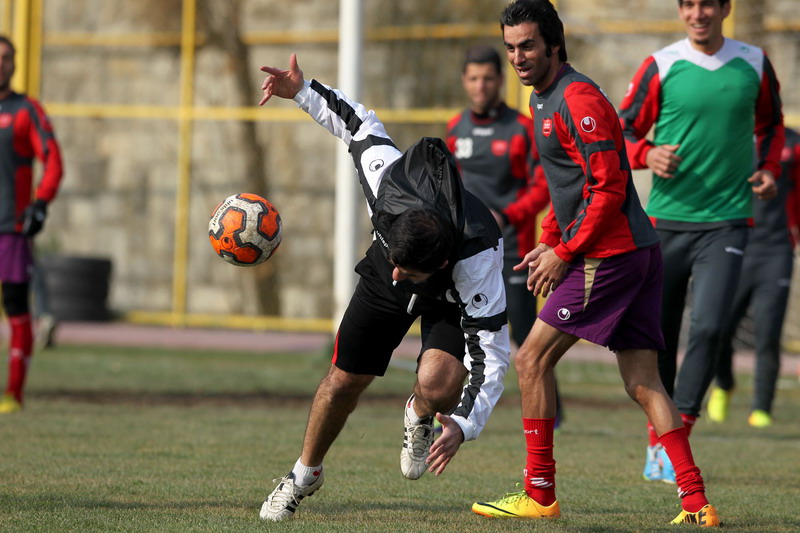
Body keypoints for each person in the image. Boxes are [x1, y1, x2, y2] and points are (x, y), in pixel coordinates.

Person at [472, 0, 719, 526]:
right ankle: (697, 503)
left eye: (528, 46)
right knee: (643, 382)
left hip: (610, 257)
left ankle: (539, 496)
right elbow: (570, 188)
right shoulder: (544, 99)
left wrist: (565, 253)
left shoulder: (577, 98)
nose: (517, 56)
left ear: (554, 44)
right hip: (634, 253)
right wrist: (548, 238)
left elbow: (607, 187)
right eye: (511, 46)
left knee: (531, 360)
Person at [256, 54, 511, 522]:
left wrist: (464, 424)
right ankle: (303, 474)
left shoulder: (478, 258)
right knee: (342, 382)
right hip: (386, 266)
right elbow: (358, 124)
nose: (400, 274)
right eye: (398, 262)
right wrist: (303, 91)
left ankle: (419, 409)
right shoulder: (388, 181)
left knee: (441, 382)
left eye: (407, 270)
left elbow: (492, 352)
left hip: (449, 296)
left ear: (440, 262)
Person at [618, 0, 784, 482]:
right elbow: (623, 129)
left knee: (711, 327)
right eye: (689, 3)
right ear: (681, 10)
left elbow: (771, 126)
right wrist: (648, 154)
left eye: (708, 3)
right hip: (666, 223)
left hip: (728, 222)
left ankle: (678, 436)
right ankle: (658, 438)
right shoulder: (661, 65)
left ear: (725, 8)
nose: (698, 13)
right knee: (660, 336)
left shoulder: (754, 62)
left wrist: (769, 170)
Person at [445, 45, 564, 426]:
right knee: (461, 332)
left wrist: (505, 216)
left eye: (488, 78)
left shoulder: (521, 128)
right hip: (466, 251)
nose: (481, 85)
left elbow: (542, 188)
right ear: (465, 81)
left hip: (514, 251)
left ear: (499, 80)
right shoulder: (455, 128)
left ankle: (553, 414)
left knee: (529, 337)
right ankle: (455, 410)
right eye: (474, 78)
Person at [706, 127, 800, 428]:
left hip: (776, 251)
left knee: (768, 333)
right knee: (717, 329)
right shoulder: (730, 135)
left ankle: (762, 408)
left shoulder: (793, 143)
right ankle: (724, 383)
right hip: (735, 244)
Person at [0, 35, 64, 414]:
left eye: (7, 57)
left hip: (10, 228)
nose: (1, 63)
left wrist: (40, 204)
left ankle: (13, 394)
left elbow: (53, 161)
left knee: (16, 308)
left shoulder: (27, 111)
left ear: (15, 63)